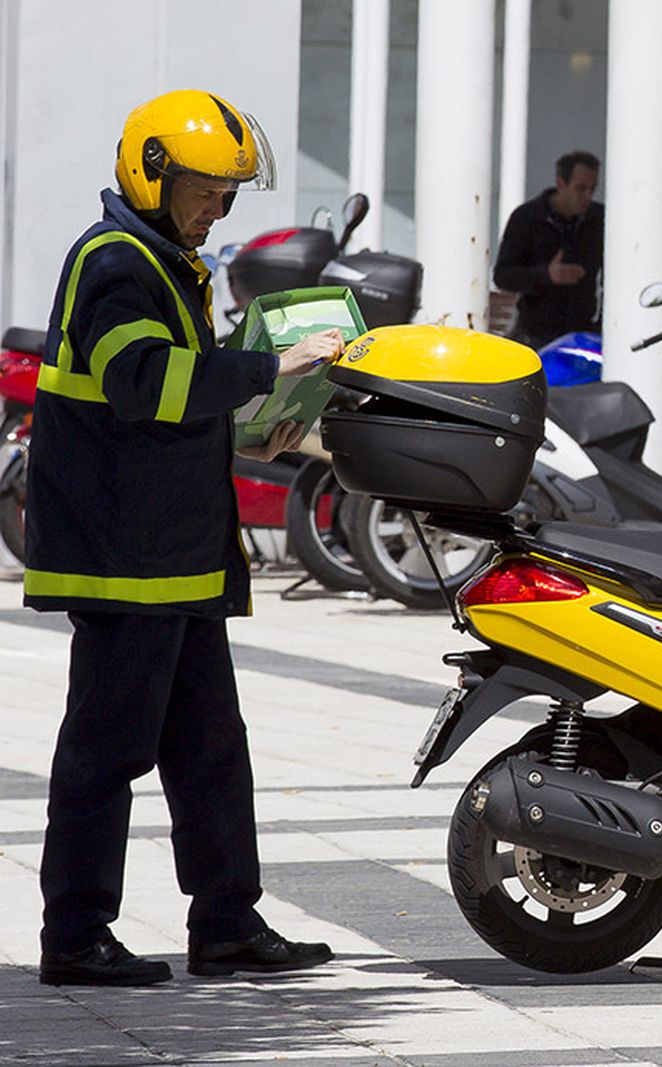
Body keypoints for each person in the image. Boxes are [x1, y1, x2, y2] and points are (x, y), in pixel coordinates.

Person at [25, 89, 344, 987]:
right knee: (105, 750)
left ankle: (228, 922)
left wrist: (252, 426)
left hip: (176, 558)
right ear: (153, 174)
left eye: (228, 193)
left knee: (210, 750)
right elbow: (143, 382)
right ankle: (75, 934)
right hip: (128, 559)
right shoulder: (117, 262)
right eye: (205, 190)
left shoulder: (166, 259)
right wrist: (268, 367)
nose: (218, 209)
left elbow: (169, 411)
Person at [493, 150, 604, 350]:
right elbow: (503, 276)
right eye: (580, 189)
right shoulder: (527, 218)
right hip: (536, 333)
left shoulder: (598, 219)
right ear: (561, 184)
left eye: (592, 189)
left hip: (583, 330)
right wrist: (546, 275)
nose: (587, 197)